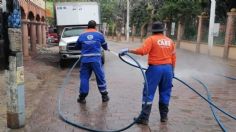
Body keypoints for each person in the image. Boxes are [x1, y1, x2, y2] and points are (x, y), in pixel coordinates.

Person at [119, 21, 176, 124]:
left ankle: (144, 118)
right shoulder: (170, 41)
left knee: (148, 93)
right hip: (168, 69)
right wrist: (172, 71)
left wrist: (128, 50)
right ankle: (164, 117)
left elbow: (143, 51)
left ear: (153, 31)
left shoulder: (151, 39)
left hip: (155, 69)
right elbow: (173, 57)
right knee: (165, 93)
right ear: (162, 30)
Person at [76, 20, 109, 104]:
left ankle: (82, 97)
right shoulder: (99, 35)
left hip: (85, 60)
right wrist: (105, 48)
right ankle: (104, 96)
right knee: (100, 76)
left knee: (84, 77)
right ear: (95, 27)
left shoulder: (82, 35)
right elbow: (104, 46)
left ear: (87, 26)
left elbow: (77, 46)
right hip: (96, 60)